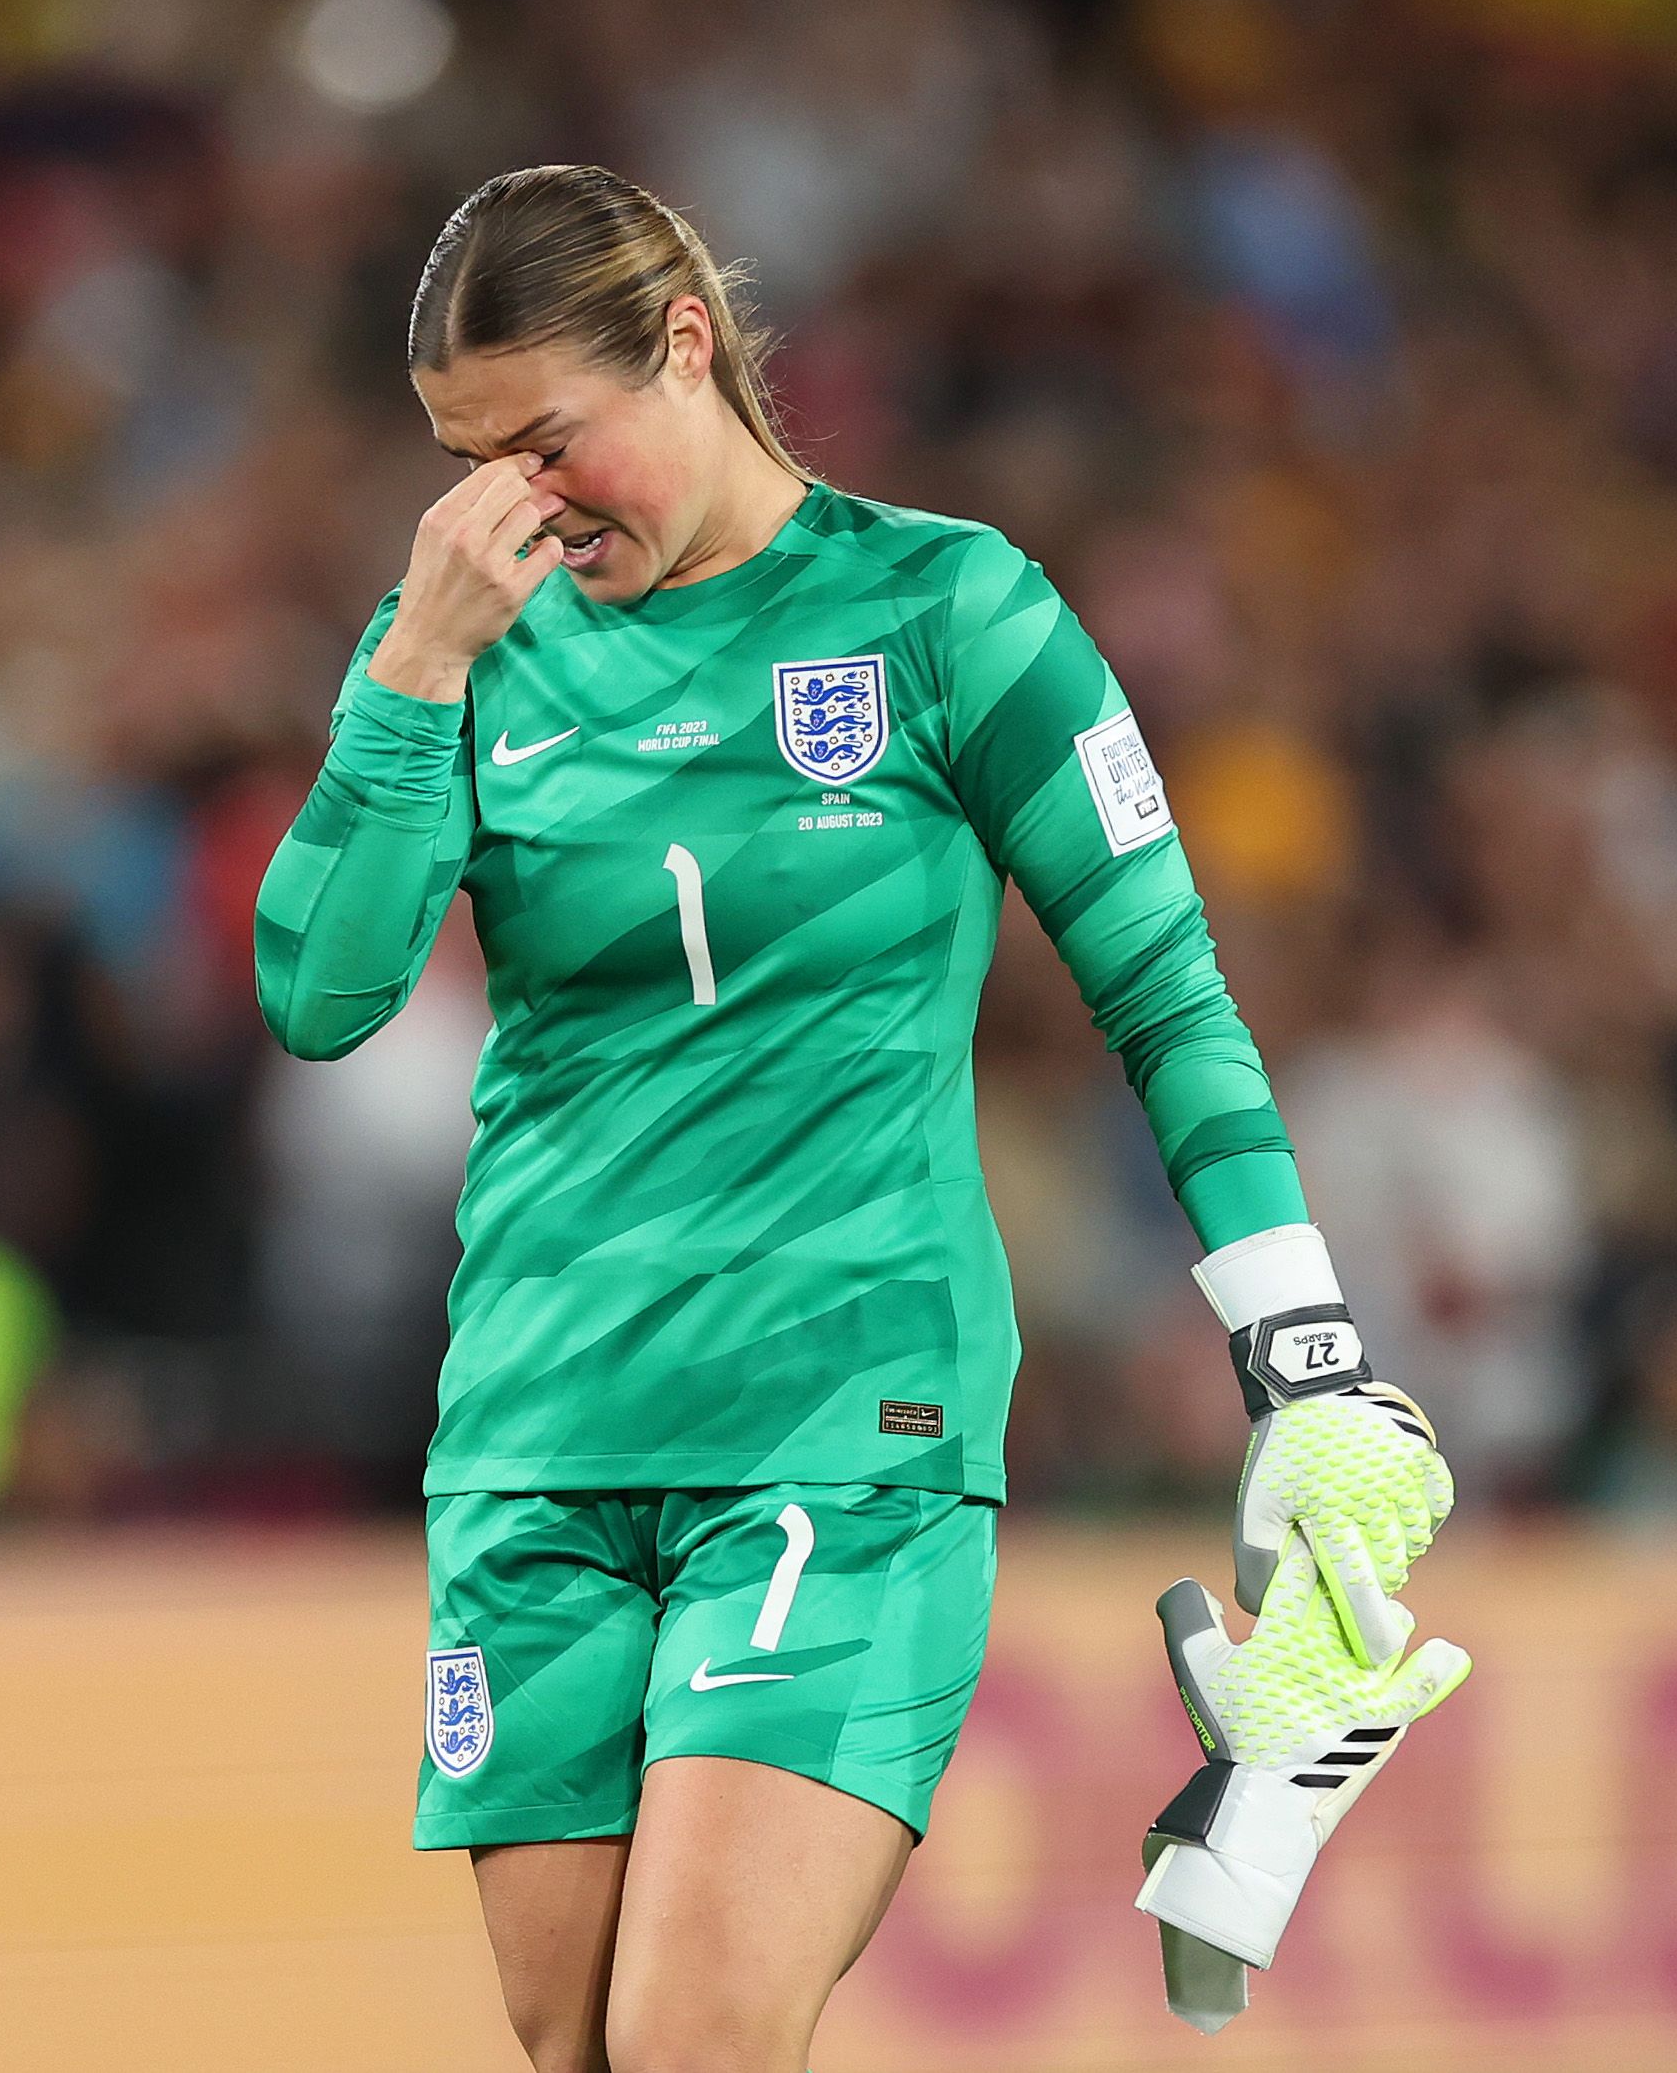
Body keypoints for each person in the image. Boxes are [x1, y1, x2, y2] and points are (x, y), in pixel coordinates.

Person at [254, 165, 1454, 2073]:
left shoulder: (944, 609)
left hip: (836, 1428)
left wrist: (1301, 1355)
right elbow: (313, 996)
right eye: (465, 465)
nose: (513, 514)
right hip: (535, 1440)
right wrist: (413, 658)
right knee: (579, 2058)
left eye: (549, 447)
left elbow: (1165, 993)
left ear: (684, 343)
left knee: (697, 2042)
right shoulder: (462, 650)